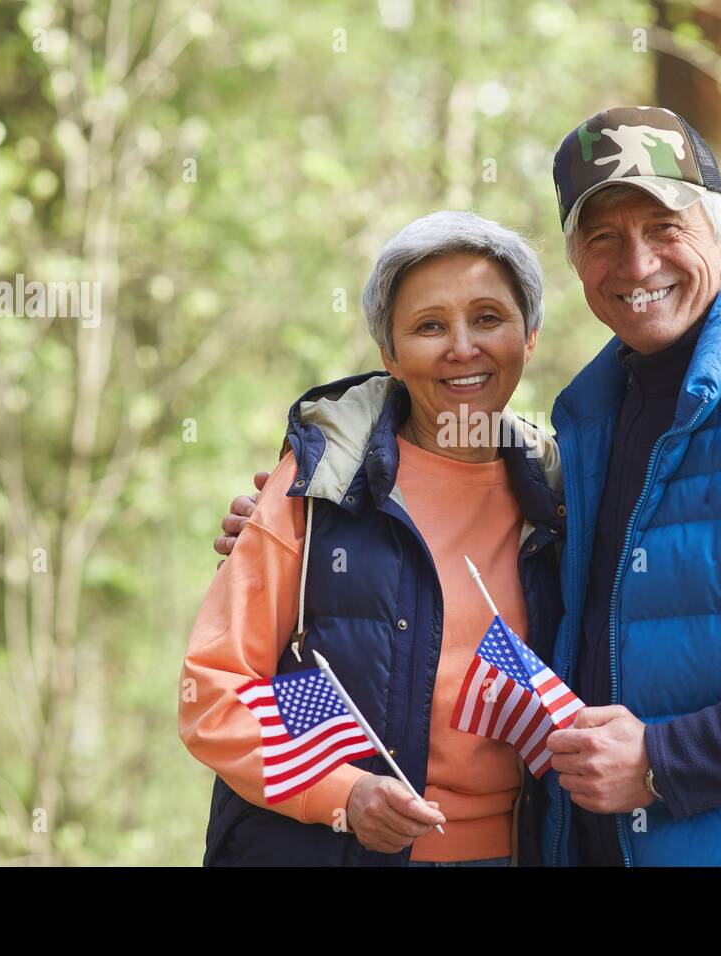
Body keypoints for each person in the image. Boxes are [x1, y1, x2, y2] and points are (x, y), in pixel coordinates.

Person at [217, 106, 721, 867]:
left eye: (665, 226)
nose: (637, 263)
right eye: (604, 238)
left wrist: (666, 758)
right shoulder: (587, 432)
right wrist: (293, 536)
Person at [179, 211, 565, 866]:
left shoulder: (563, 499)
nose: (462, 347)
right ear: (389, 352)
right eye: (429, 326)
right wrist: (344, 793)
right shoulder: (319, 485)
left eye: (489, 318)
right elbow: (213, 691)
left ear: (529, 337)